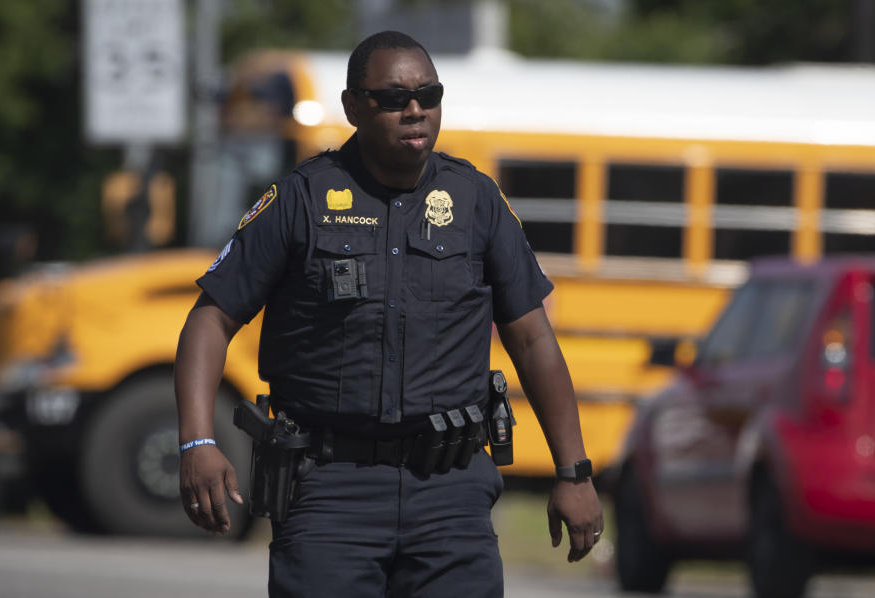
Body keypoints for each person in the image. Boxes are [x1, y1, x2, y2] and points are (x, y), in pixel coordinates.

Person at [175, 30, 603, 597]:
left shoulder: (476, 201)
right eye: (393, 98)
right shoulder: (301, 199)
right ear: (354, 107)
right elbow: (211, 319)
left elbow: (531, 340)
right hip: (329, 491)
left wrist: (573, 472)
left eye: (429, 94)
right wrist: (196, 443)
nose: (415, 110)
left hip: (450, 493)